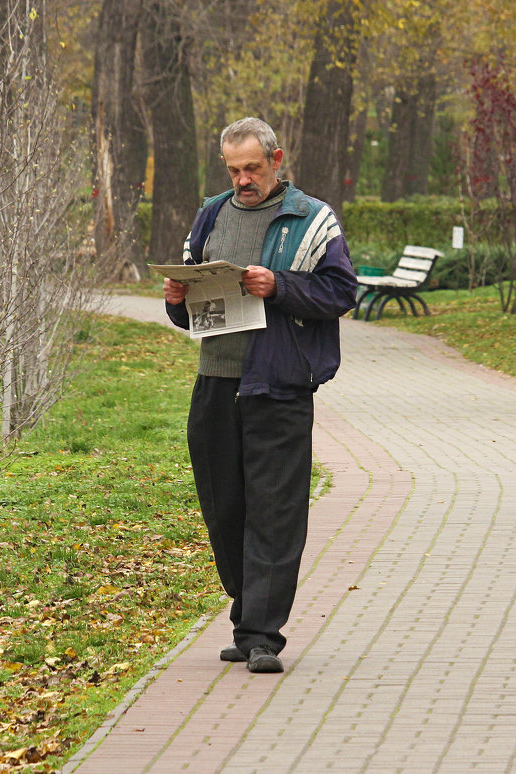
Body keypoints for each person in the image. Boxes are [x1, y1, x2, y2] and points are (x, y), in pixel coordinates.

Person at [164, 117, 357, 673]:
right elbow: (188, 311)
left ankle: (263, 635)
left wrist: (281, 286)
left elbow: (341, 292)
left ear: (276, 160)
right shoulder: (211, 215)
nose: (242, 179)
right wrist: (177, 298)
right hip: (216, 381)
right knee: (225, 506)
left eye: (251, 168)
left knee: (275, 511)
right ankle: (247, 612)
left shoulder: (311, 218)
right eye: (233, 169)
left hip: (279, 385)